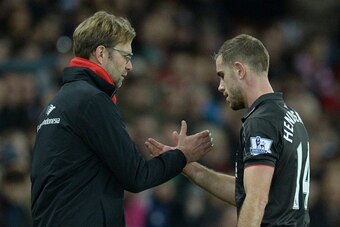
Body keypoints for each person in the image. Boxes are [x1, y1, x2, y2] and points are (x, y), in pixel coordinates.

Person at [31, 11, 213, 227]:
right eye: (126, 56)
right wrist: (182, 155)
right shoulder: (92, 101)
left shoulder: (55, 105)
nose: (130, 66)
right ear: (101, 53)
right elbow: (136, 176)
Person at [146, 34, 310, 226]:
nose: (220, 86)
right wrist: (185, 164)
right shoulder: (289, 116)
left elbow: (256, 199)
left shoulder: (261, 121)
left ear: (239, 70)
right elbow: (247, 192)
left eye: (222, 76)